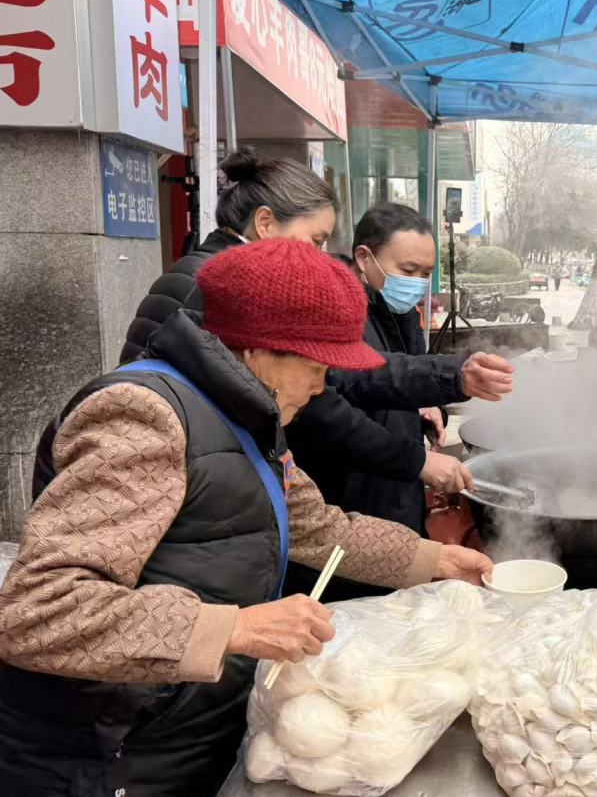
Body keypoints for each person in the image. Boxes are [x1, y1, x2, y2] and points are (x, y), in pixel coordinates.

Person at [0, 239, 493, 795]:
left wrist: (435, 560)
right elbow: (38, 609)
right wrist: (239, 626)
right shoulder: (145, 417)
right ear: (257, 350)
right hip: (107, 750)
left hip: (189, 726)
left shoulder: (248, 414)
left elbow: (317, 527)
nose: (321, 385)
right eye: (314, 365)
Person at [121, 147, 513, 499]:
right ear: (266, 224)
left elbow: (337, 381)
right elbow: (326, 400)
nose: (321, 257)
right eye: (316, 240)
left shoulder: (242, 281)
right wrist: (419, 446)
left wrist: (439, 386)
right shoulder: (210, 283)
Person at [286, 204, 461, 600]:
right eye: (408, 269)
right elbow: (356, 389)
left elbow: (407, 379)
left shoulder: (400, 315)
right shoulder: (337, 314)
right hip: (350, 504)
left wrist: (429, 404)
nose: (418, 283)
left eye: (427, 274)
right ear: (365, 258)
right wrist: (453, 380)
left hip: (398, 496)